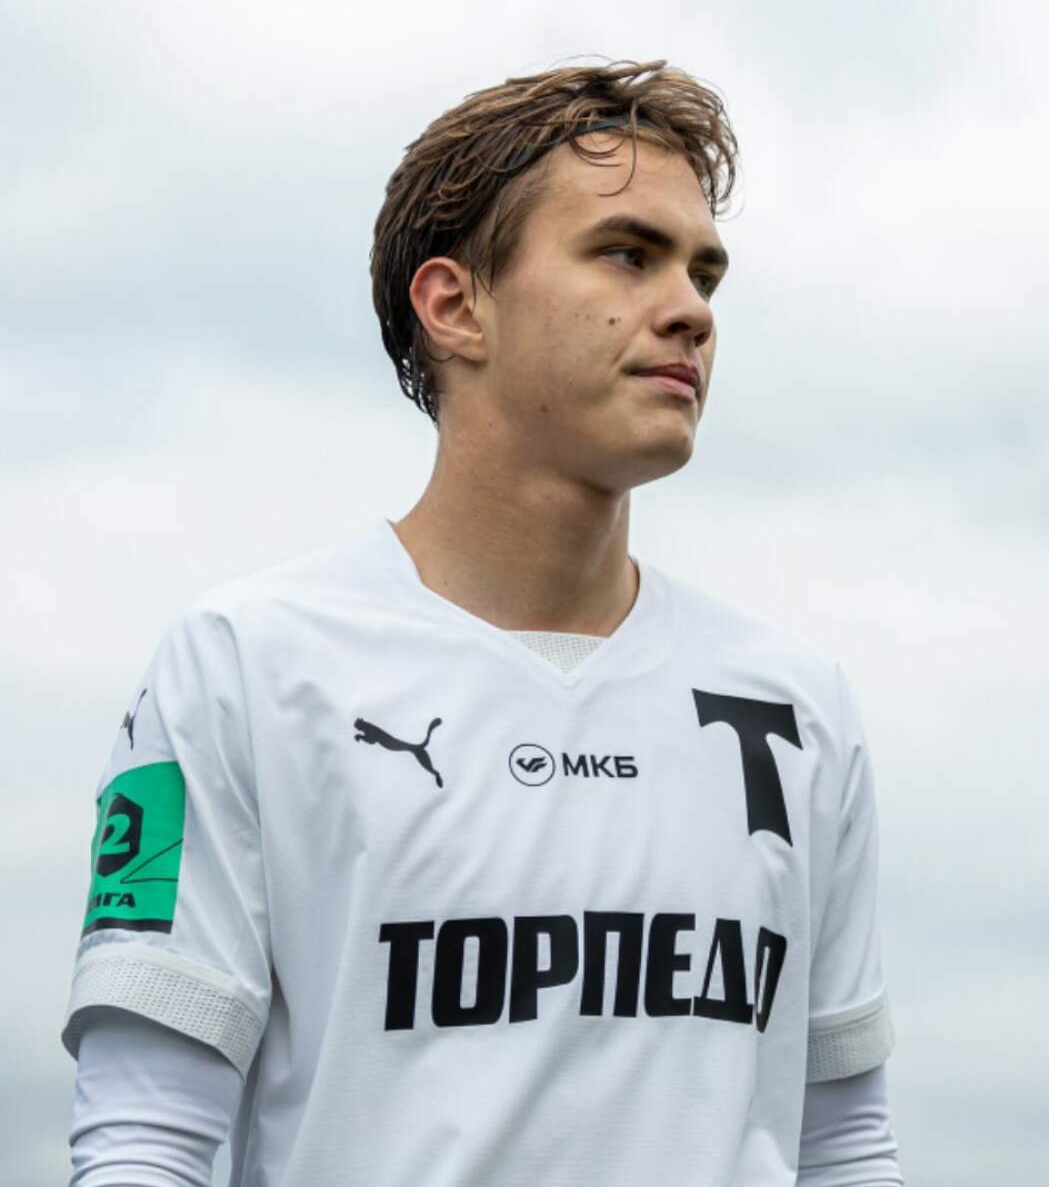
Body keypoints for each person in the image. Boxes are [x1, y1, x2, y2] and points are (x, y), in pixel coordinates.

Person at [62, 58, 904, 1186]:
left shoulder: (792, 702)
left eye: (703, 272)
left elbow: (843, 1143)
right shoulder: (242, 665)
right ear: (455, 306)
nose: (692, 310)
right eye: (627, 253)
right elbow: (144, 1140)